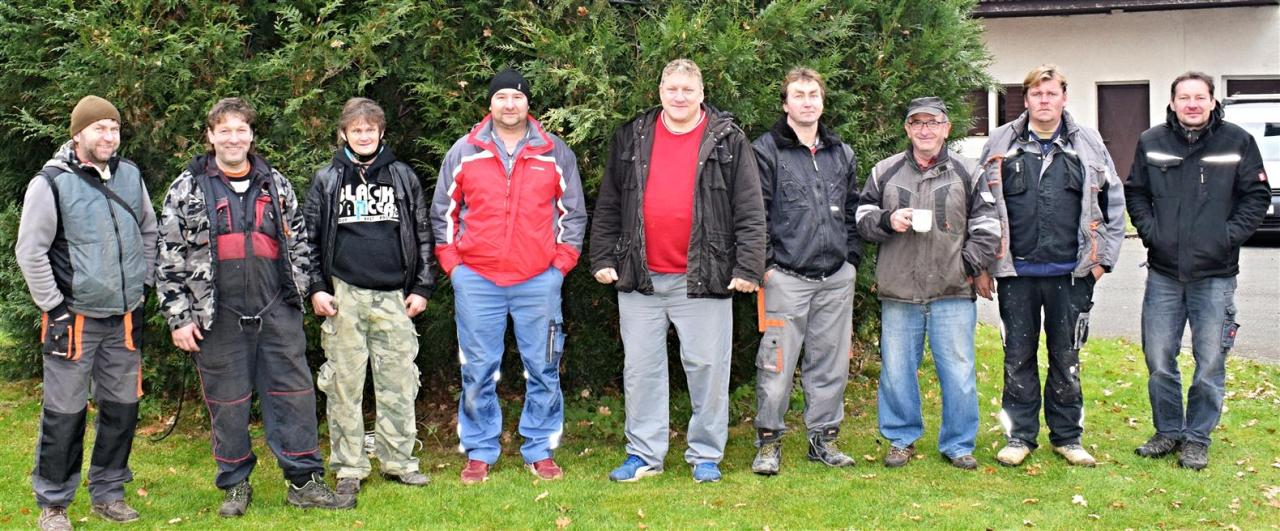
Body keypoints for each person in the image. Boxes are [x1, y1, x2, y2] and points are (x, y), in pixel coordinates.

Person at [156, 97, 352, 516]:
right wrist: (179, 317)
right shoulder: (187, 187)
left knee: (294, 397)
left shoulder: (274, 183)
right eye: (224, 130)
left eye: (241, 130)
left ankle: (304, 482)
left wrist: (298, 292)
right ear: (210, 136)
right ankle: (235, 485)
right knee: (228, 405)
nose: (233, 138)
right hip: (216, 316)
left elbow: (299, 242)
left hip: (276, 310)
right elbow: (168, 257)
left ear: (251, 136)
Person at [590, 58, 766, 484]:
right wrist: (602, 258)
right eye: (672, 89)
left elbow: (749, 207)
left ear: (702, 94)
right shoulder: (633, 135)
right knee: (641, 370)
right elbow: (610, 201)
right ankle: (643, 454)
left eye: (688, 89)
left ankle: (705, 455)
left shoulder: (727, 140)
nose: (680, 96)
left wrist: (748, 265)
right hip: (640, 276)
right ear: (660, 92)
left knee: (708, 368)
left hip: (703, 276)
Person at [431, 68, 587, 484]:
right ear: (490, 103)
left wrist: (560, 267)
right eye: (501, 97)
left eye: (517, 97)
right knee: (477, 369)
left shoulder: (554, 152)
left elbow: (573, 214)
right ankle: (480, 449)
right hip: (477, 280)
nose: (510, 104)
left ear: (528, 103)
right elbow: (443, 212)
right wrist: (454, 266)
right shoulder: (465, 150)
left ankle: (539, 448)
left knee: (544, 366)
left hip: (538, 281)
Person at [17, 95, 157, 531]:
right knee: (64, 414)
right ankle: (54, 503)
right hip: (73, 319)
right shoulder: (51, 183)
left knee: (122, 408)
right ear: (78, 133)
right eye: (100, 128)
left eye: (114, 128)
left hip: (124, 317)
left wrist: (143, 285)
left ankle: (109, 492)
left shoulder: (130, 175)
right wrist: (54, 306)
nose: (109, 136)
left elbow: (149, 230)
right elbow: (30, 251)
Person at [977, 65, 1126, 467]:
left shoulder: (1088, 143)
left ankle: (1068, 437)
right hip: (1016, 275)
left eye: (1051, 93)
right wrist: (983, 264)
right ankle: (1019, 437)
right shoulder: (1001, 141)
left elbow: (1114, 204)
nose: (1044, 100)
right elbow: (981, 206)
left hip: (1071, 275)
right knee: (1017, 358)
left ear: (1064, 98)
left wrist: (1102, 261)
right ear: (1025, 100)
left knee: (1066, 358)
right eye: (1036, 94)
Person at [1125, 72, 1269, 470]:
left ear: (1212, 101)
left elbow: (1256, 197)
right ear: (1172, 102)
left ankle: (1196, 438)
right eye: (1184, 97)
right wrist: (1152, 233)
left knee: (1209, 364)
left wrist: (1226, 237)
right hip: (1164, 273)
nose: (1192, 104)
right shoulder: (1152, 141)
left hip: (1215, 275)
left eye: (1199, 97)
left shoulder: (1237, 141)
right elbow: (1136, 192)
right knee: (1158, 358)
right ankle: (1168, 431)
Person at [855, 96, 1000, 470]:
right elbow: (861, 216)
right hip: (899, 290)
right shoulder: (884, 171)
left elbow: (988, 225)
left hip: (952, 291)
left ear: (946, 129)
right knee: (897, 371)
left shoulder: (969, 172)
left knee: (959, 371)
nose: (925, 130)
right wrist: (887, 220)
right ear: (907, 129)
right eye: (917, 123)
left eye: (933, 122)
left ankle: (958, 443)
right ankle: (901, 438)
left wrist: (966, 265)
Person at [304, 97, 434, 498]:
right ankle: (349, 466)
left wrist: (422, 287)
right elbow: (309, 240)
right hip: (344, 294)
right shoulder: (327, 178)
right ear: (344, 134)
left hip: (395, 295)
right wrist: (316, 287)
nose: (363, 136)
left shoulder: (402, 176)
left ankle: (399, 461)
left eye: (370, 129)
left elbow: (423, 233)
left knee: (399, 381)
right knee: (343, 384)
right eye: (356, 130)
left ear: (381, 133)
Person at [749, 68, 861, 475]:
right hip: (785, 278)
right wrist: (766, 266)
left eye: (814, 94)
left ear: (823, 102)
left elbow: (852, 209)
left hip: (835, 278)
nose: (807, 101)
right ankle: (768, 443)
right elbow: (755, 213)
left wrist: (851, 260)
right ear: (785, 104)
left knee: (830, 364)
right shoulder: (765, 151)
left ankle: (823, 440)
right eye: (798, 95)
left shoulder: (841, 153)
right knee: (775, 365)